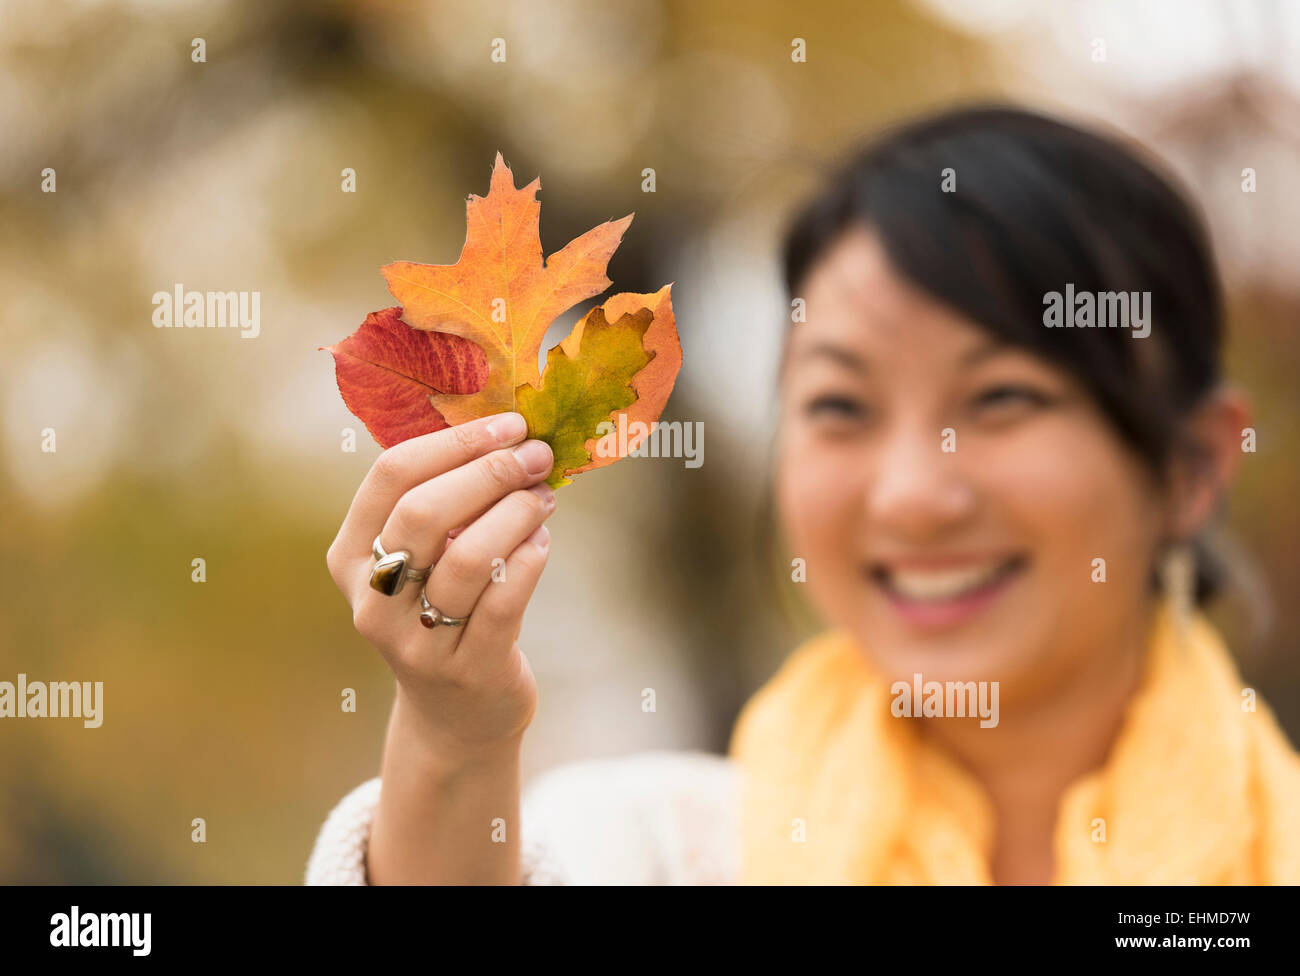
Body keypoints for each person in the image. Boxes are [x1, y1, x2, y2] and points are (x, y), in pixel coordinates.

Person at [306, 105, 1300, 885]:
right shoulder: (658, 849)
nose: (911, 494)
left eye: (1002, 397)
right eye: (839, 404)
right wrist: (454, 732)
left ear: (1191, 467)